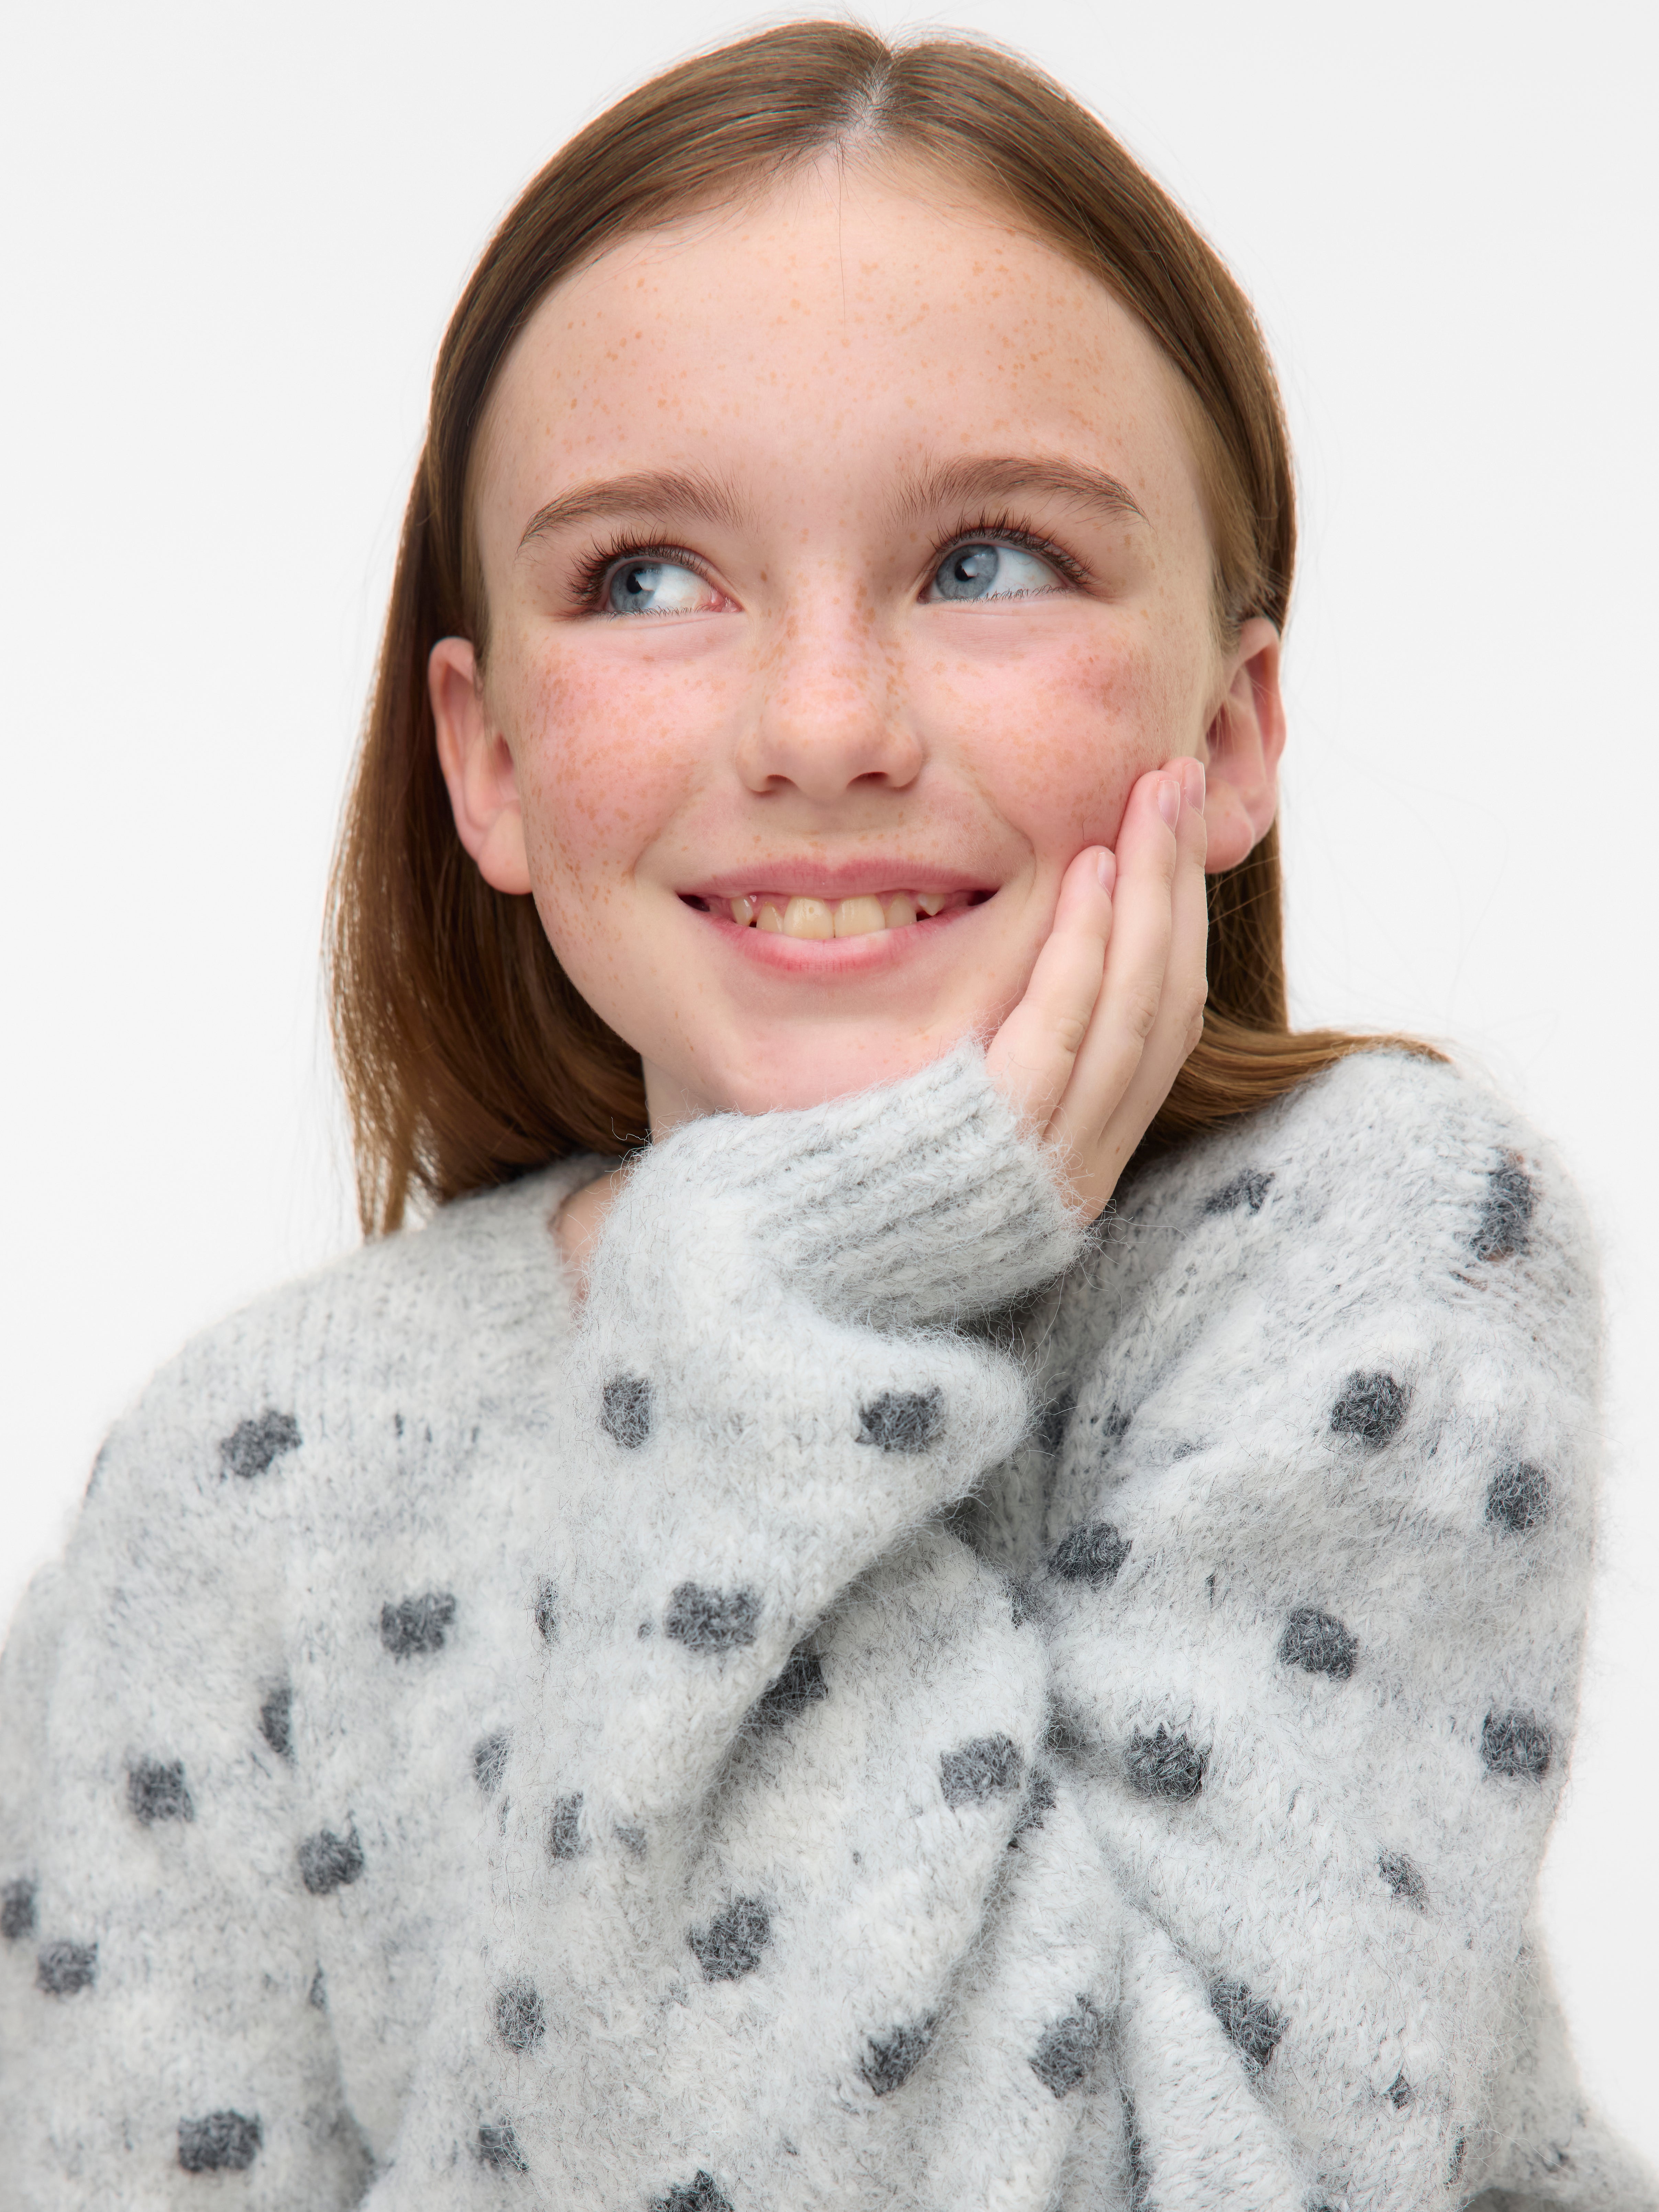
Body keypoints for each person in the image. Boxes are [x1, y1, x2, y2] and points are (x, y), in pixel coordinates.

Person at [0, 21, 1649, 2210]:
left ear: (1238, 726)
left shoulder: (1368, 1256)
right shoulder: (250, 1473)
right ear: (489, 763)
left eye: (989, 561)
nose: (824, 721)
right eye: (646, 580)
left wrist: (806, 1315)